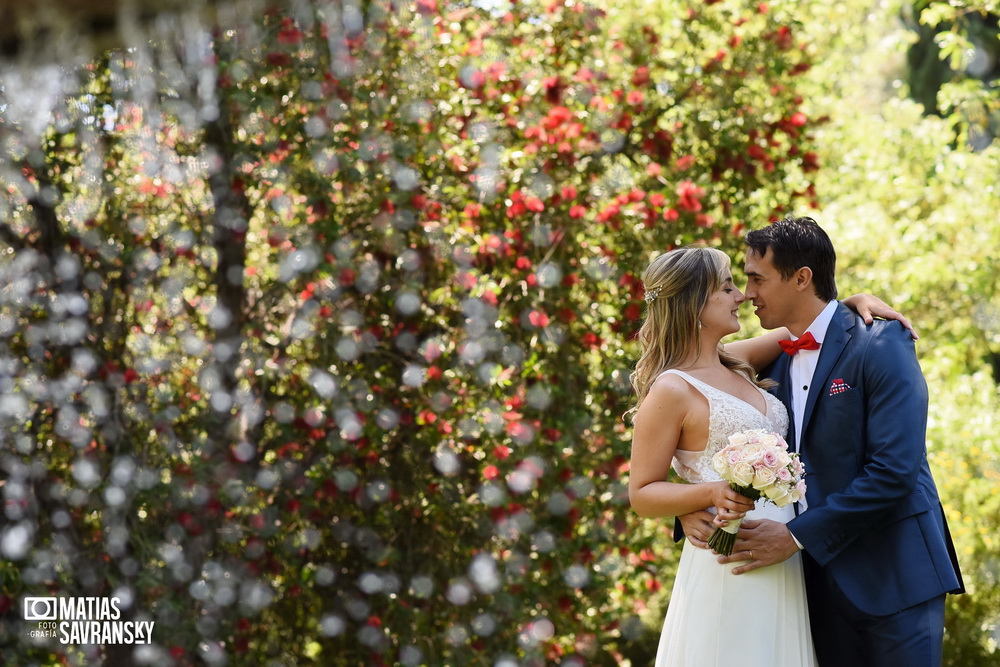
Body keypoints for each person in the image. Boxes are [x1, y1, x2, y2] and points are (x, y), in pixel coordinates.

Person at [681, 216, 964, 667]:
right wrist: (689, 506)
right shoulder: (768, 364)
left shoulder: (881, 342)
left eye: (757, 278)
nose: (748, 292)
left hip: (894, 576)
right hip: (813, 591)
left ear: (801, 278)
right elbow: (688, 400)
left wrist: (795, 537)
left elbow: (894, 470)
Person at [628, 244, 910, 667]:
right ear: (694, 304)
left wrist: (849, 304)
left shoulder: (736, 363)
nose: (741, 295)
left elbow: (813, 324)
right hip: (732, 555)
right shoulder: (671, 388)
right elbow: (642, 492)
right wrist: (709, 494)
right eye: (726, 288)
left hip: (785, 555)